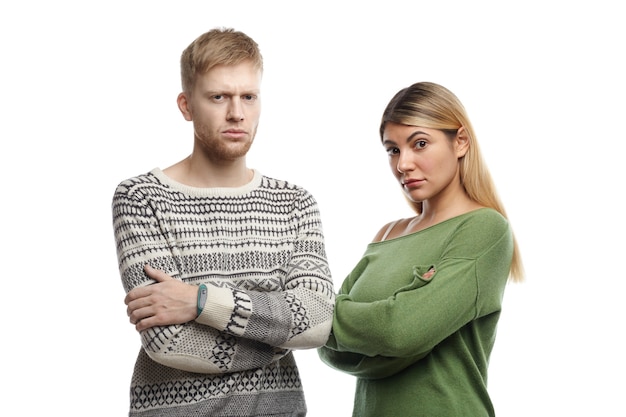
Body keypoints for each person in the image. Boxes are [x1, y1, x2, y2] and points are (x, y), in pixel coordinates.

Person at [111, 27, 335, 417]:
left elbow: (317, 322)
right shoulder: (141, 198)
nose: (237, 113)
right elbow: (169, 341)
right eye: (219, 97)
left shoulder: (294, 203)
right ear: (186, 105)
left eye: (248, 96)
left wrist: (200, 301)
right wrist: (280, 332)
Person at [318, 81, 524, 417]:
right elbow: (330, 350)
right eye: (393, 150)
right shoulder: (387, 234)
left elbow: (399, 331)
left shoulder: (484, 229)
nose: (403, 164)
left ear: (460, 142)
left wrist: (334, 321)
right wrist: (376, 332)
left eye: (420, 144)